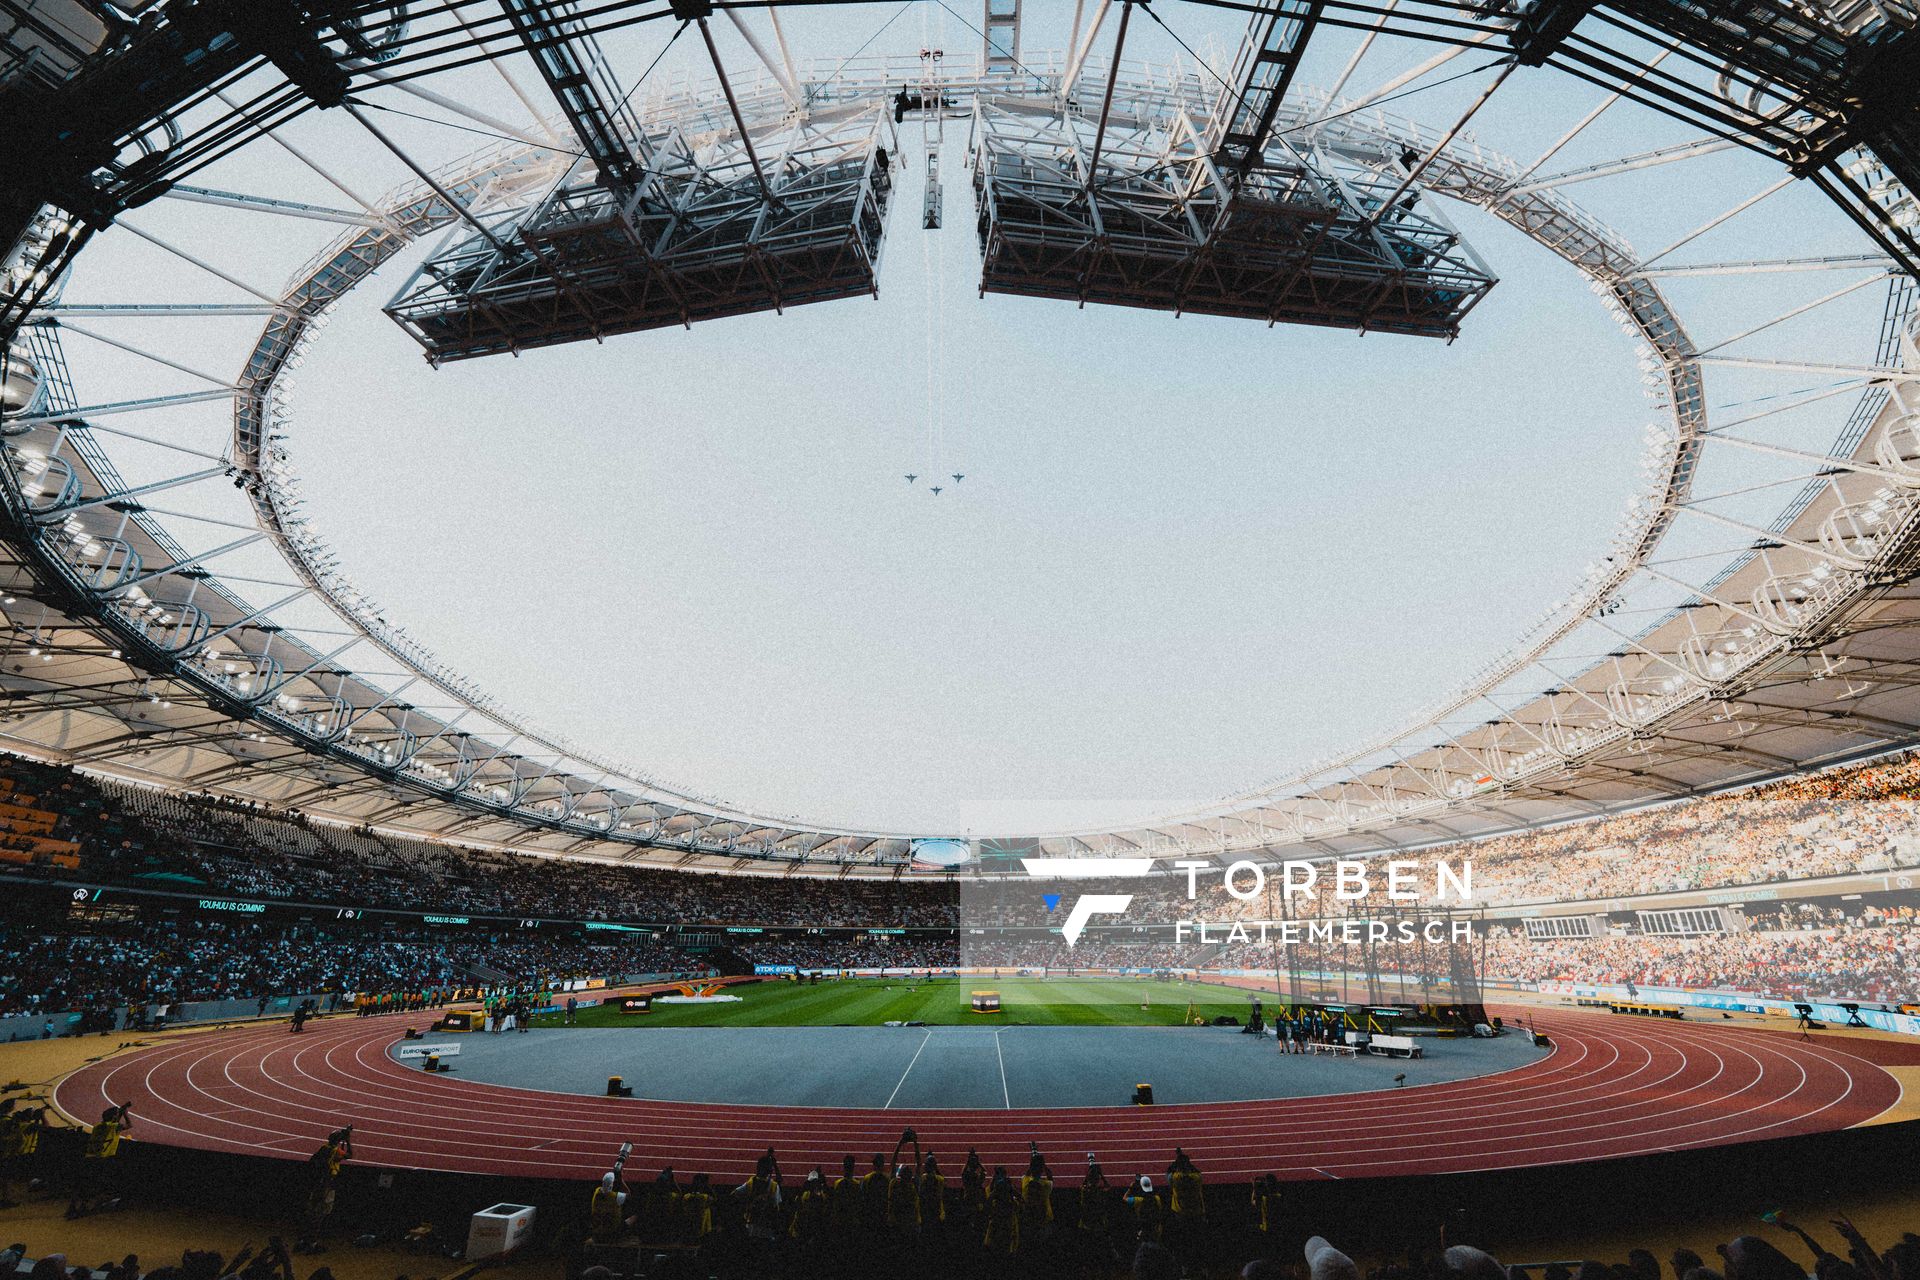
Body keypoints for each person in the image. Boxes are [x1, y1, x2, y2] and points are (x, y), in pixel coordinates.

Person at [67, 1102, 132, 1218]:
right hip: (100, 1160)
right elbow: (128, 1125)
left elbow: (112, 1124)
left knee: (83, 1185)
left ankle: (73, 1207)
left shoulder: (98, 1126)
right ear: (113, 1117)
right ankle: (86, 1208)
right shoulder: (112, 1127)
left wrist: (119, 1113)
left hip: (89, 1158)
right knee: (96, 1186)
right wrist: (125, 1114)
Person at [298, 1126, 352, 1251]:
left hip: (317, 1183)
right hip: (327, 1185)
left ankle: (303, 1239)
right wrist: (348, 1140)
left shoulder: (323, 1148)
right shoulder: (335, 1151)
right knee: (320, 1215)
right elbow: (349, 1155)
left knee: (311, 1212)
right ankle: (312, 1243)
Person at [735, 1149, 784, 1244]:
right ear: (770, 1170)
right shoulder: (774, 1186)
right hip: (766, 1228)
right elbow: (777, 1207)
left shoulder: (750, 1183)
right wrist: (775, 1165)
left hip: (751, 1226)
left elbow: (735, 1195)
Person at [589, 1170, 632, 1240]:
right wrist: (621, 1180)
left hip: (596, 1234)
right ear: (612, 1184)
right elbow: (628, 1194)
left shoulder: (597, 1192)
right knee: (634, 1217)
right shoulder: (615, 1196)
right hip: (611, 1235)